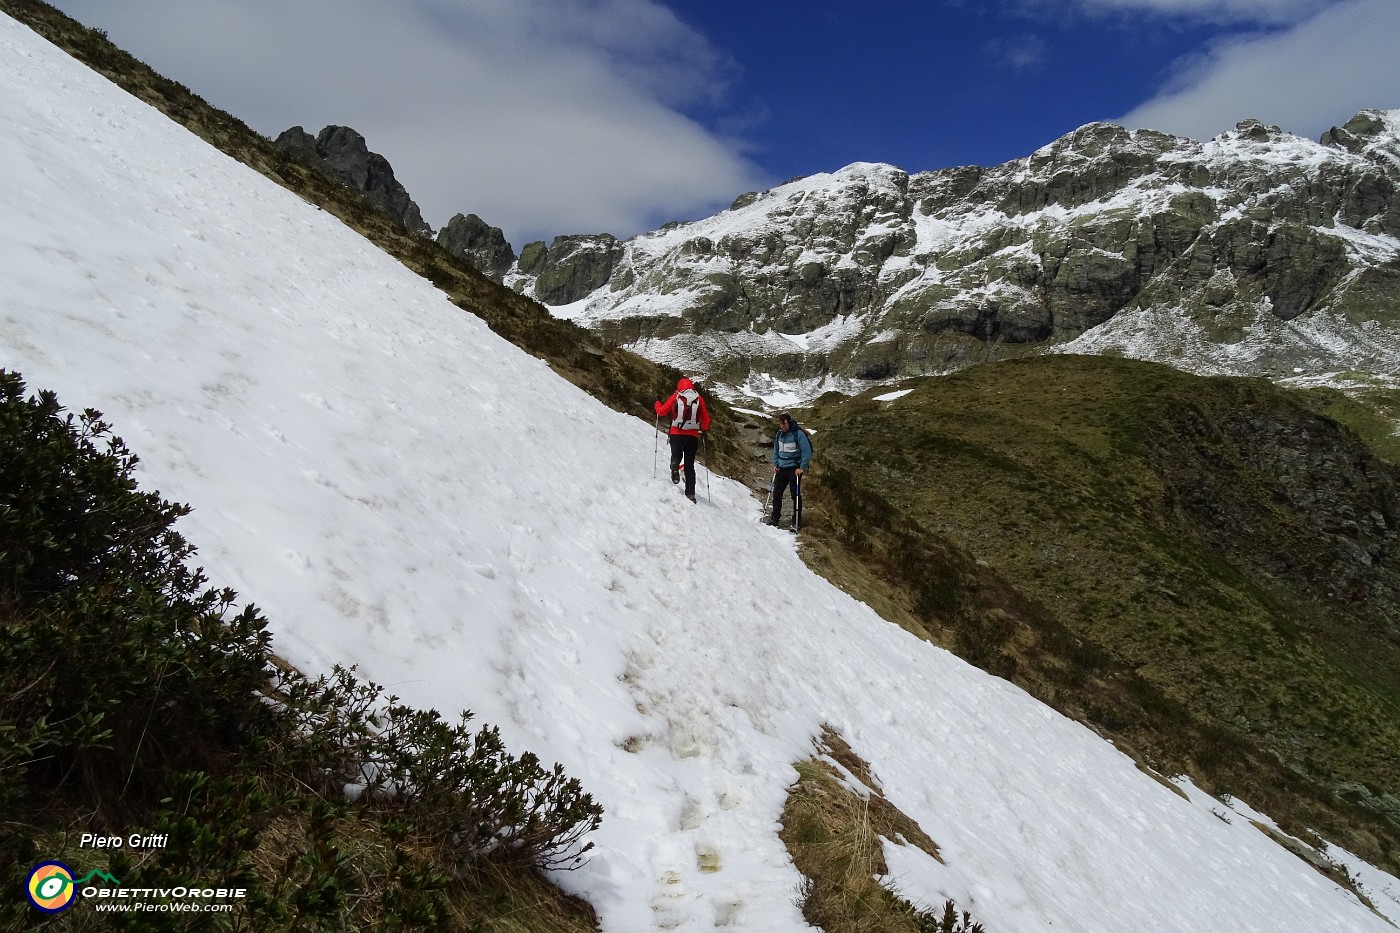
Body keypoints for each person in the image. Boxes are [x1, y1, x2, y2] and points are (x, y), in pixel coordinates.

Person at [653, 378, 710, 502]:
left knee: (676, 455)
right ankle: (690, 494)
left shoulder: (676, 396)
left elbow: (662, 412)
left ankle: (675, 466)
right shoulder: (699, 399)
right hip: (692, 436)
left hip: (676, 433)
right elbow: (706, 419)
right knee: (689, 465)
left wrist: (657, 403)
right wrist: (703, 429)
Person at [767, 412, 812, 526]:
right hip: (781, 468)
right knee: (777, 494)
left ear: (789, 422)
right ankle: (775, 519)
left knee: (795, 495)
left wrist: (801, 468)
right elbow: (776, 450)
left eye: (785, 424)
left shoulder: (798, 434)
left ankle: (796, 522)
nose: (783, 426)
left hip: (794, 469)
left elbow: (807, 452)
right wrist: (776, 464)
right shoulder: (779, 434)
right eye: (781, 424)